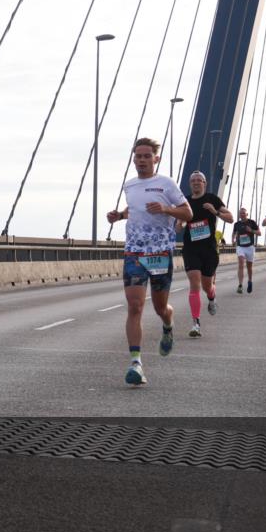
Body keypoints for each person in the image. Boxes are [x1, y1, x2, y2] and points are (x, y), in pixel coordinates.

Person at [107, 137, 192, 386]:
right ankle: (136, 363)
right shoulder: (130, 185)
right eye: (138, 156)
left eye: (146, 156)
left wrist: (166, 210)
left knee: (159, 308)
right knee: (134, 307)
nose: (141, 160)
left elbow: (188, 213)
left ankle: (168, 324)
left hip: (160, 253)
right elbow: (133, 209)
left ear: (156, 159)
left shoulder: (166, 184)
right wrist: (119, 216)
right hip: (134, 252)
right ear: (133, 159)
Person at [178, 171, 233, 338]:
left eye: (199, 180)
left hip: (209, 250)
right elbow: (177, 225)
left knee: (207, 286)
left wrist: (215, 211)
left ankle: (211, 297)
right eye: (193, 180)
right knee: (194, 284)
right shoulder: (184, 201)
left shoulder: (212, 199)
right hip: (191, 249)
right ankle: (196, 323)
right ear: (190, 184)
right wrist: (179, 223)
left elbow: (230, 218)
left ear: (205, 183)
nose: (196, 183)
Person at [232, 207, 261, 294]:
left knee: (249, 267)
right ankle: (240, 285)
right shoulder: (236, 224)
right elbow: (234, 233)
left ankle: (250, 281)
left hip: (250, 247)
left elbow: (259, 233)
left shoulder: (252, 222)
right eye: (240, 213)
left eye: (243, 213)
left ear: (247, 214)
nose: (242, 215)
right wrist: (233, 239)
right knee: (241, 263)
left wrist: (251, 230)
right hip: (240, 247)